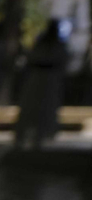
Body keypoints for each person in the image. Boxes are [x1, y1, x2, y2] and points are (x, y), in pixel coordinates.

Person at [15, 20, 69, 151]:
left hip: (49, 80)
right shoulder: (41, 44)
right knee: (31, 107)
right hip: (38, 79)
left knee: (45, 108)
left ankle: (40, 137)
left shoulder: (57, 45)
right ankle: (22, 137)